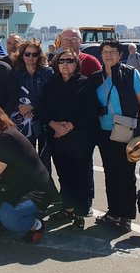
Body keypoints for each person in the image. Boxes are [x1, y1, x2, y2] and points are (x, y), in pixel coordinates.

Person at [90, 39, 140, 232]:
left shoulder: (131, 74)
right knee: (110, 173)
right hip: (104, 131)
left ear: (120, 55)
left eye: (112, 52)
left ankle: (126, 215)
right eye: (105, 52)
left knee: (126, 173)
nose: (108, 55)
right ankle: (113, 211)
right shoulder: (95, 77)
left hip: (127, 130)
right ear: (101, 55)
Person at [0, 102, 59, 244]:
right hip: (21, 186)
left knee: (9, 217)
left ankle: (36, 225)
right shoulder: (1, 134)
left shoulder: (5, 139)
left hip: (38, 191)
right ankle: (20, 214)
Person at [40, 49, 97, 229]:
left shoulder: (85, 83)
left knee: (80, 176)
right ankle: (67, 208)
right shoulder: (52, 82)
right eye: (62, 60)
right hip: (57, 136)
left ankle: (79, 214)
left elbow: (90, 110)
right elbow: (42, 106)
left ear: (76, 63)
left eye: (70, 61)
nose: (65, 64)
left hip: (79, 137)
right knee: (64, 175)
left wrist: (69, 126)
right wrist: (54, 125)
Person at [11, 40, 53, 174]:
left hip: (44, 119)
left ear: (39, 56)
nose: (30, 57)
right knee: (26, 157)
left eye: (34, 54)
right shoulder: (15, 73)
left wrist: (32, 106)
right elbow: (11, 94)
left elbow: (50, 96)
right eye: (27, 54)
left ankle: (45, 192)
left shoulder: (47, 72)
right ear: (22, 55)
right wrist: (20, 107)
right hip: (23, 120)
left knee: (44, 159)